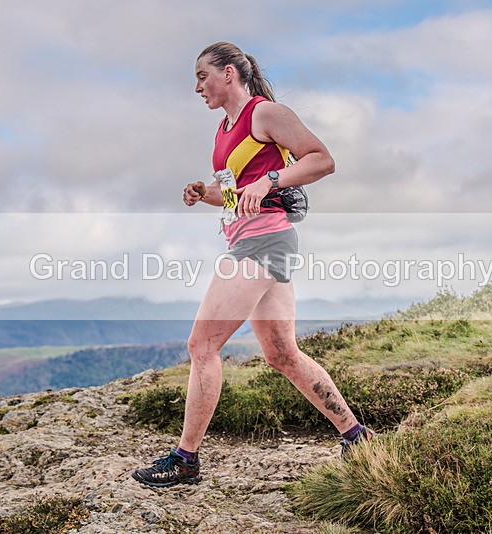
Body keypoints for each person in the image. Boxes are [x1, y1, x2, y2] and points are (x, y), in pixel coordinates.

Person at [132, 42, 372, 488]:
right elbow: (238, 194)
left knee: (202, 346)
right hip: (255, 239)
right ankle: (356, 436)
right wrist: (204, 193)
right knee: (281, 354)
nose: (197, 87)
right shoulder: (224, 130)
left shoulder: (264, 113)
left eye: (201, 76)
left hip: (263, 243)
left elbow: (322, 160)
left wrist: (270, 179)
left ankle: (185, 460)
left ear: (228, 74)